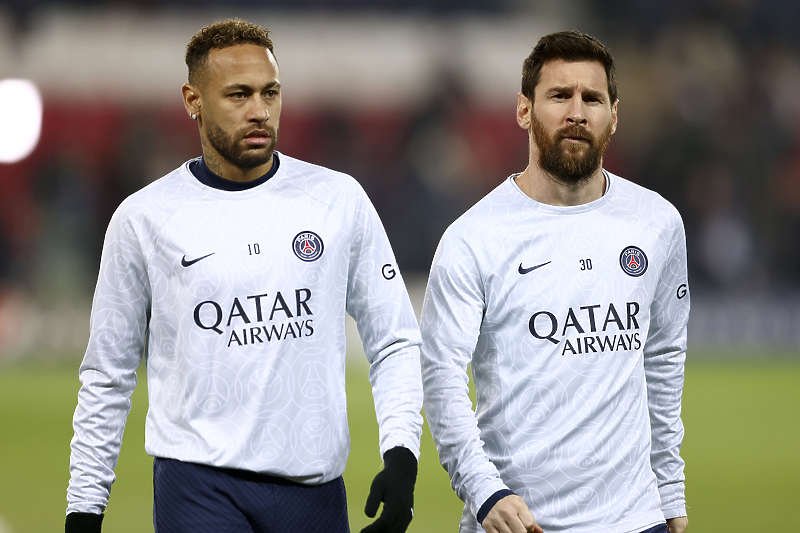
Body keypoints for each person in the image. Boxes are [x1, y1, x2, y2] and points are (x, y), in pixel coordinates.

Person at [65, 19, 422, 533]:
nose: (259, 111)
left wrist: (402, 457)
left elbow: (394, 340)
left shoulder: (337, 200)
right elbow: (108, 373)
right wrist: (84, 509)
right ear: (193, 100)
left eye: (270, 92)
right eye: (238, 95)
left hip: (314, 491)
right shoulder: (144, 218)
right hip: (198, 487)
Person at [420, 30, 689, 533]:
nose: (577, 112)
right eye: (559, 96)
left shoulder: (657, 223)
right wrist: (484, 493)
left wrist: (670, 492)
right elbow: (441, 380)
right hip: (520, 523)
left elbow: (664, 359)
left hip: (637, 520)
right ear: (524, 109)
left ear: (614, 115)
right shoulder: (473, 238)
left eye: (592, 98)